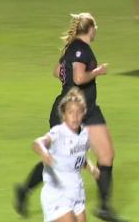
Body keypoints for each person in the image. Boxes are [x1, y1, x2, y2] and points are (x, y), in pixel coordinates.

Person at [15, 13, 123, 222]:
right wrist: (97, 71)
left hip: (89, 108)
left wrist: (70, 75)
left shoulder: (72, 48)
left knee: (107, 154)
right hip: (70, 110)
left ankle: (104, 207)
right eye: (96, 26)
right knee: (58, 160)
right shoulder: (80, 49)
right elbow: (79, 77)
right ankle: (25, 190)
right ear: (90, 28)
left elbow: (56, 71)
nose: (97, 30)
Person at [33, 87, 99, 222]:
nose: (75, 117)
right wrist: (44, 152)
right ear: (64, 114)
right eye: (70, 112)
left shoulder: (85, 134)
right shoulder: (59, 132)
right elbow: (38, 142)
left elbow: (79, 158)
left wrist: (91, 168)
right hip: (57, 193)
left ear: (83, 113)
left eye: (78, 112)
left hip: (76, 192)